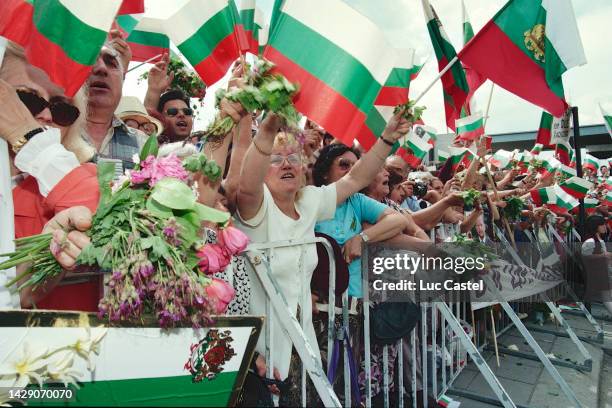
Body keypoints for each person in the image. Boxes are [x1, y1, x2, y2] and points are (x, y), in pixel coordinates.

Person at [235, 108, 411, 392]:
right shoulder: (256, 209)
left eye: (293, 158)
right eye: (275, 160)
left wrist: (387, 138)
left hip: (303, 347)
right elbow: (245, 188)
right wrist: (266, 132)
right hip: (260, 352)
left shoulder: (308, 202)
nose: (286, 164)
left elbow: (355, 179)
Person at [82, 41, 148, 172]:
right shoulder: (52, 136)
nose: (101, 68)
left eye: (111, 63)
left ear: (122, 79)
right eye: (90, 60)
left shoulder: (144, 145)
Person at [581, 215, 612, 316]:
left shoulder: (598, 239)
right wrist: (603, 256)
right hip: (600, 273)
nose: (605, 226)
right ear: (595, 226)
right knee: (606, 298)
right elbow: (585, 257)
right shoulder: (590, 241)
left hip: (604, 271)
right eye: (602, 224)